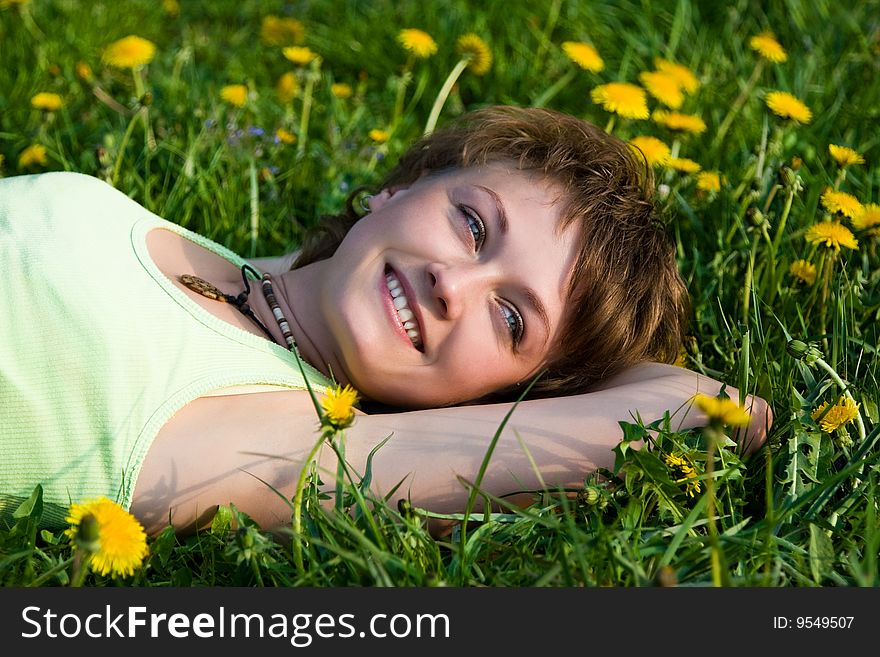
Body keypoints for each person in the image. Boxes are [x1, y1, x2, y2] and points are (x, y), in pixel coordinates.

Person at [0, 106, 771, 537]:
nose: (452, 283)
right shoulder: (200, 253)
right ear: (398, 189)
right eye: (472, 226)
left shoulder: (285, 440)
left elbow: (676, 405)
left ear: (499, 400)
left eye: (509, 318)